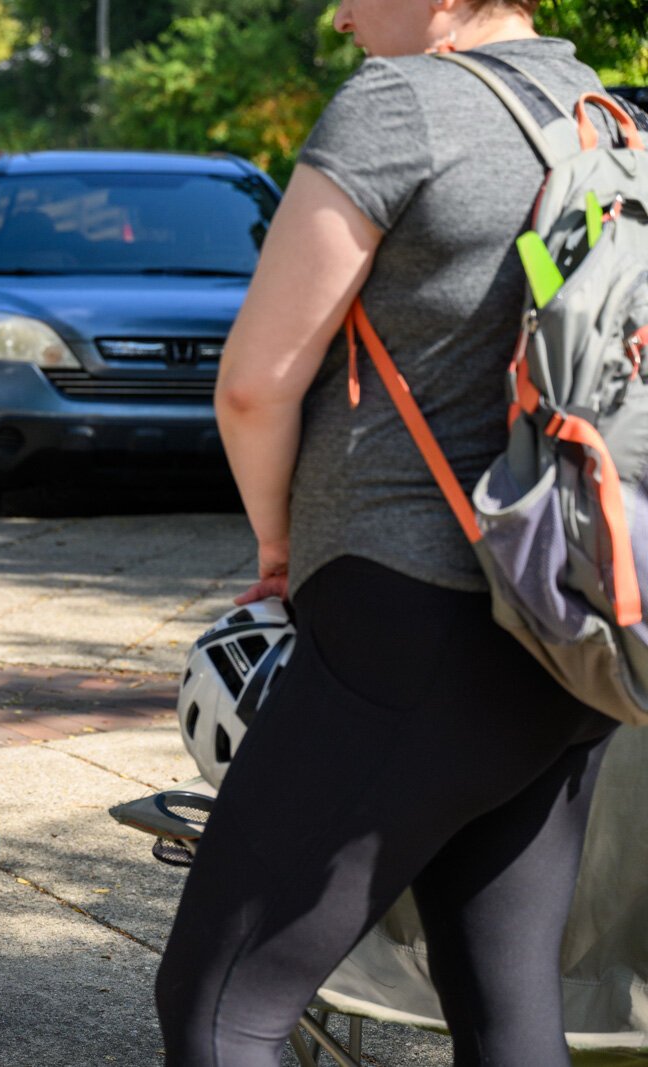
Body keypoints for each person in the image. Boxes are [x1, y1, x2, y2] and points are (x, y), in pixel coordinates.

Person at [154, 2, 622, 1064]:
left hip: (412, 621)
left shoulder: (401, 104)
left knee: (217, 1002)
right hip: (568, 627)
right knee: (507, 1010)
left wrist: (277, 552)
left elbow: (251, 384)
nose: (338, 17)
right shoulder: (607, 116)